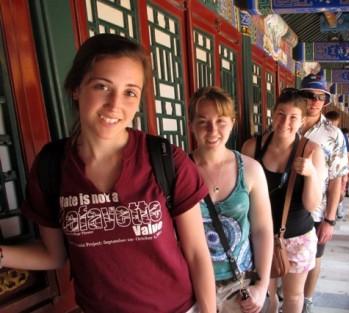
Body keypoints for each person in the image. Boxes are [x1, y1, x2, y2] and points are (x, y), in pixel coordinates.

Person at [0, 34, 216, 313]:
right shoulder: (51, 166)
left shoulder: (165, 159)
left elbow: (198, 254)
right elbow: (53, 254)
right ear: (76, 88)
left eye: (130, 92)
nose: (115, 105)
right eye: (102, 86)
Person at [188, 86, 273, 312]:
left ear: (233, 123)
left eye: (221, 121)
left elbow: (263, 230)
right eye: (203, 121)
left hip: (240, 283)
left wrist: (261, 285)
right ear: (192, 125)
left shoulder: (251, 170)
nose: (212, 130)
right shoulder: (180, 171)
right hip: (191, 284)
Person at [242, 88, 326, 313]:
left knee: (294, 296)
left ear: (302, 120)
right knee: (265, 295)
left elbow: (312, 205)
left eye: (293, 117)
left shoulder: (311, 151)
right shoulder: (252, 147)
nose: (285, 122)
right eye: (280, 113)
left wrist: (310, 174)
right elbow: (243, 196)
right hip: (259, 235)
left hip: (297, 236)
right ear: (273, 113)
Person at [299, 72, 349, 313]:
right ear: (301, 97)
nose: (316, 101)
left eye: (322, 97)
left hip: (316, 210)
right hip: (284, 205)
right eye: (310, 96)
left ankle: (306, 300)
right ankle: (289, 298)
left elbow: (336, 180)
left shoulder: (333, 135)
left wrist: (329, 220)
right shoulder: (287, 125)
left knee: (313, 259)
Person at [324, 111, 349, 219]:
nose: (333, 128)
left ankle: (336, 208)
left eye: (335, 125)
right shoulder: (319, 132)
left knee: (338, 191)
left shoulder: (340, 135)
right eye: (330, 124)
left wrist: (345, 175)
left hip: (336, 171)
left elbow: (346, 154)